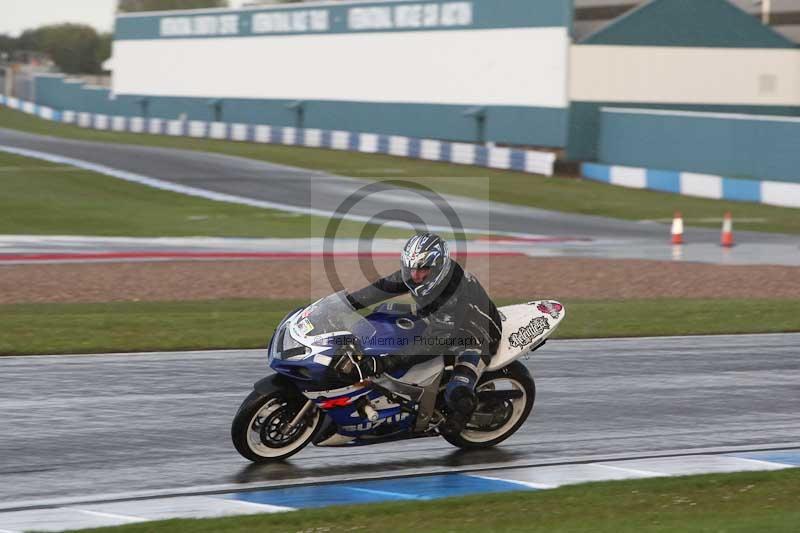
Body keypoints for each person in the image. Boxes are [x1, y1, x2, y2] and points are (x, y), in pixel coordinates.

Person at [341, 232, 503, 435]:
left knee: (458, 392)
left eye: (423, 269)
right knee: (386, 314)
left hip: (475, 336)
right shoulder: (416, 276)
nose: (415, 276)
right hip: (438, 322)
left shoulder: (452, 293)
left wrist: (386, 362)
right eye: (411, 269)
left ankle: (462, 414)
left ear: (438, 268)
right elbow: (380, 289)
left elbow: (435, 342)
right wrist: (345, 304)